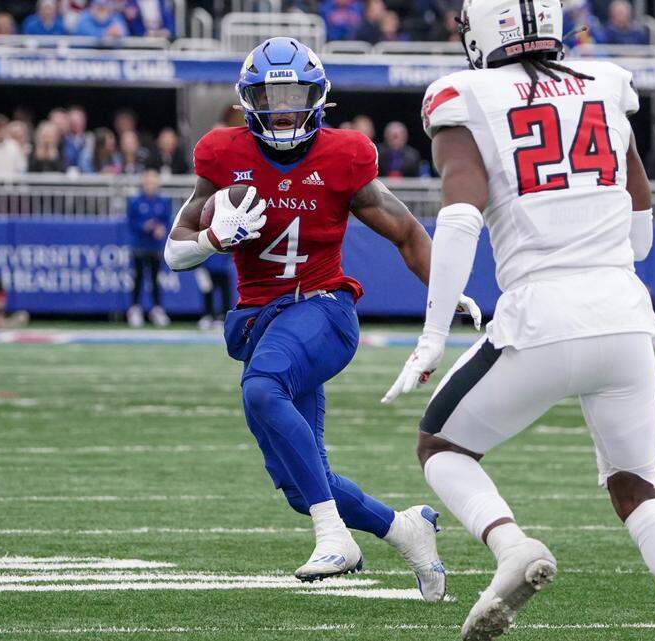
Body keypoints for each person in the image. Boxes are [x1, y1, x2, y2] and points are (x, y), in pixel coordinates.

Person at [385, 2, 655, 640]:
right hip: (625, 319)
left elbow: (459, 219)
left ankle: (512, 547)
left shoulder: (465, 94)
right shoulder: (607, 83)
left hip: (539, 319)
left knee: (440, 447)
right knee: (637, 491)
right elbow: (642, 236)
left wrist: (433, 335)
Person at [164, 37, 481, 595]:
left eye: (294, 93)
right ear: (248, 100)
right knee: (299, 482)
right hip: (262, 320)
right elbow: (175, 248)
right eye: (271, 94)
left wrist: (446, 289)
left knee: (262, 390)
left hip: (323, 310)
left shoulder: (344, 154)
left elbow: (405, 231)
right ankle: (406, 530)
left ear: (318, 98)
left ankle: (335, 536)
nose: (283, 107)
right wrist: (214, 238)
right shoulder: (221, 154)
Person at [126, 170, 172, 328]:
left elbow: (167, 221)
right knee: (138, 278)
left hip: (155, 247)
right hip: (139, 245)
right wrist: (143, 226)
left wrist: (161, 229)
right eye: (148, 182)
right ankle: (135, 308)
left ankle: (157, 309)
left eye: (153, 182)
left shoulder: (163, 201)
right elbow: (131, 222)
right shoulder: (135, 201)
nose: (151, 185)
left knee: (155, 278)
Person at [195, 253, 235, 330]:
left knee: (225, 292)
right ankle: (208, 315)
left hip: (222, 266)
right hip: (207, 266)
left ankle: (223, 317)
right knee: (207, 291)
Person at [61, 105, 94, 173]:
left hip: (88, 177)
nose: (76, 123)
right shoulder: (62, 140)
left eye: (78, 120)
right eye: (73, 120)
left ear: (84, 120)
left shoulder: (91, 139)